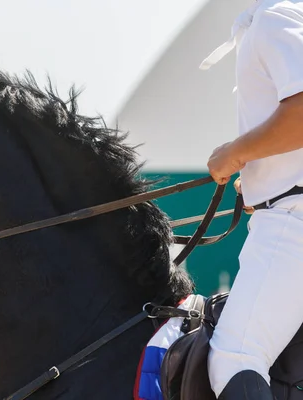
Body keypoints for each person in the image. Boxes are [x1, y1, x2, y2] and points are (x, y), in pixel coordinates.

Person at [201, 0, 303, 398]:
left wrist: (234, 154)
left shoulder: (275, 17)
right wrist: (263, 179)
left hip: (293, 221)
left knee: (235, 357)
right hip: (285, 205)